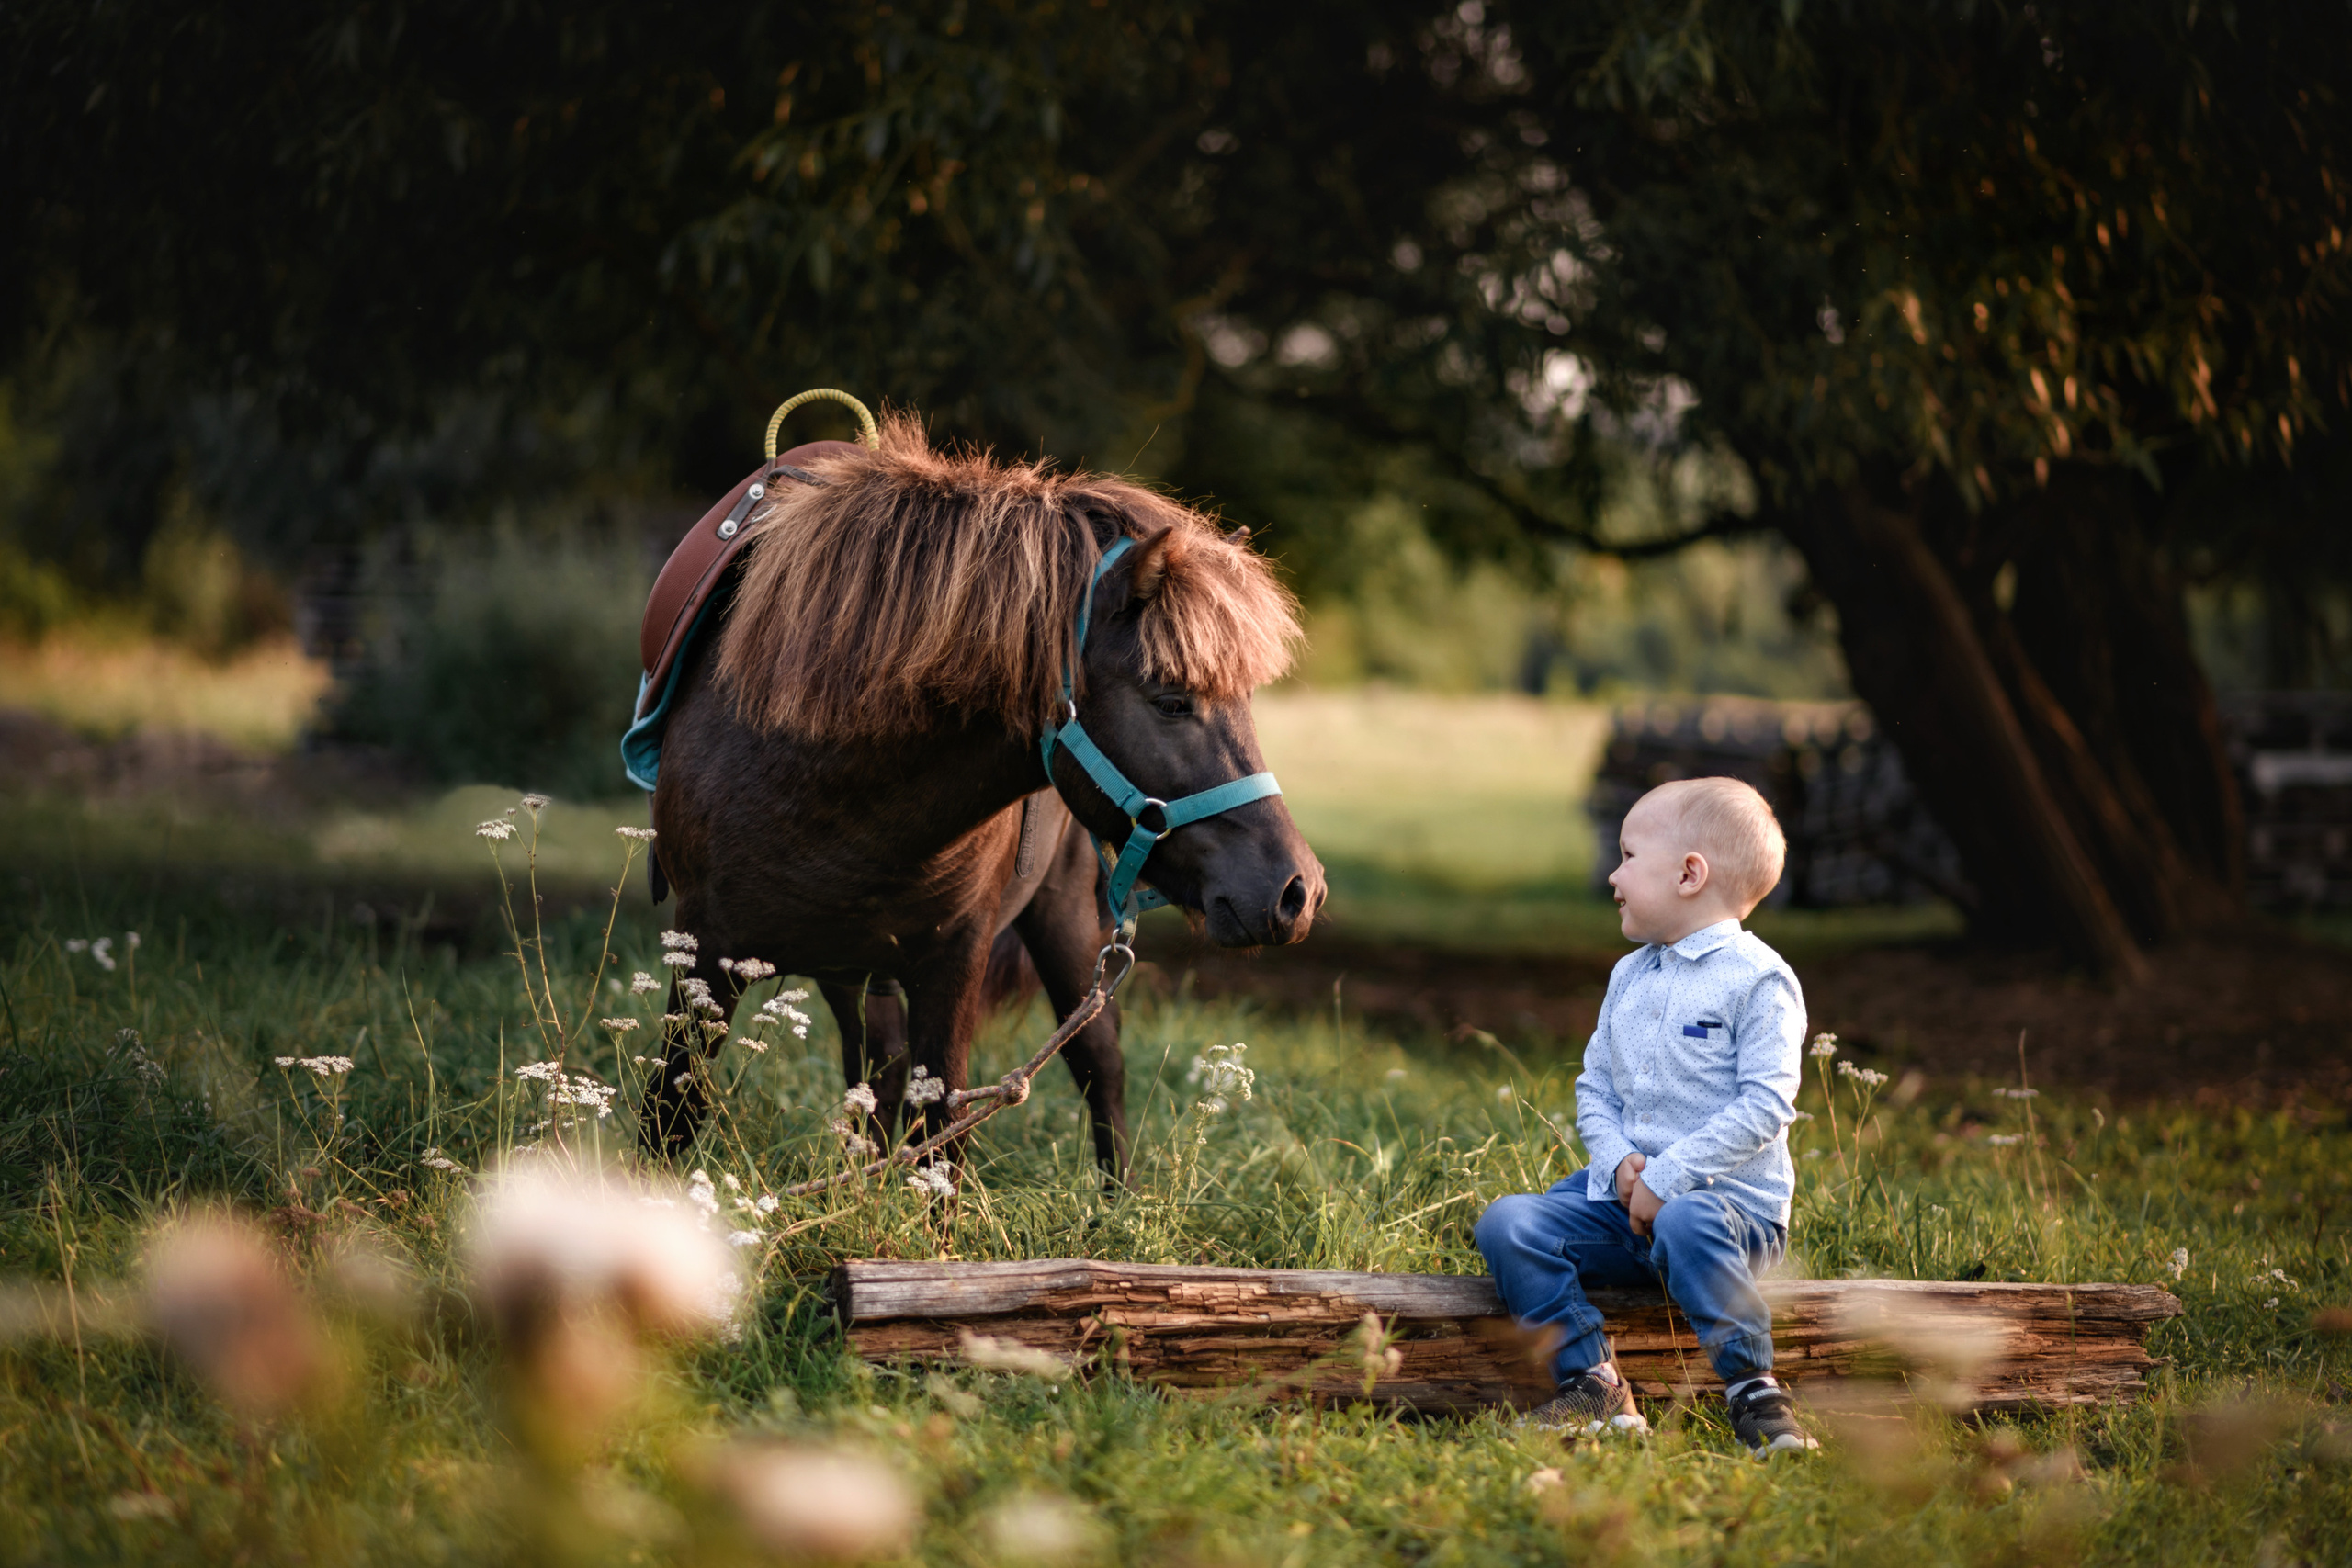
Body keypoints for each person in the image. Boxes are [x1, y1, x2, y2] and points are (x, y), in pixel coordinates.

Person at [1474, 776, 1817, 1454]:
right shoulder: (1629, 976)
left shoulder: (1760, 979)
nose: (1613, 873)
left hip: (1727, 1212)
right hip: (1625, 1201)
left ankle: (1755, 1390)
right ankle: (1594, 1383)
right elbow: (1595, 1087)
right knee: (1511, 1221)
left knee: (1687, 1219)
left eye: (1629, 856)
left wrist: (1668, 1176)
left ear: (1691, 874)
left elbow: (1767, 1104)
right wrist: (1619, 1163)